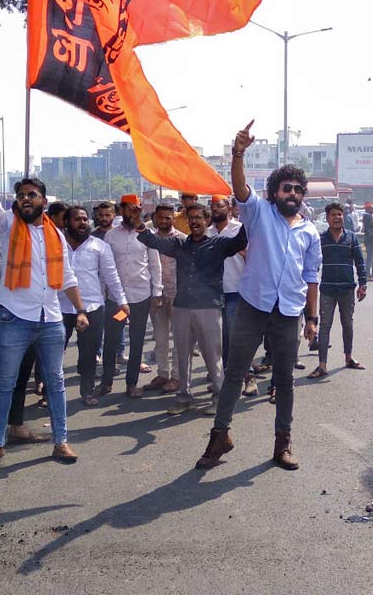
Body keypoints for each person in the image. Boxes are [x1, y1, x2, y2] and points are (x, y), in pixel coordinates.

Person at [0, 129, 87, 471]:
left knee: (54, 383)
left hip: (52, 320)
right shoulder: (9, 225)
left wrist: (81, 310)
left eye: (32, 194)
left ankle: (61, 441)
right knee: (5, 385)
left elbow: (68, 278)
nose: (26, 198)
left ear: (43, 199)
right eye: (21, 194)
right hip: (14, 319)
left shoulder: (56, 235)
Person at [195, 121, 322, 471]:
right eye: (286, 188)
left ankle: (282, 444)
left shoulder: (310, 232)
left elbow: (311, 277)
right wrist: (238, 152)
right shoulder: (257, 212)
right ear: (273, 192)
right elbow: (239, 187)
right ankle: (219, 438)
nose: (292, 194)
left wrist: (311, 319)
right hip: (253, 306)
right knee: (235, 374)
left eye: (298, 189)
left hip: (288, 312)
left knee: (284, 379)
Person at [136, 203, 247, 415]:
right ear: (187, 221)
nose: (195, 221)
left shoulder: (219, 243)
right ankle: (184, 397)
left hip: (209, 307)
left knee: (213, 356)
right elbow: (154, 241)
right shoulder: (179, 244)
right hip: (182, 306)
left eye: (199, 217)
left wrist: (248, 214)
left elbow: (242, 240)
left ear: (207, 221)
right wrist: (139, 225)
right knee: (182, 354)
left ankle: (219, 397)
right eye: (191, 218)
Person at [60, 205, 129, 405]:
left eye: (84, 219)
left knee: (89, 353)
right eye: (77, 219)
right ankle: (49, 392)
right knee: (55, 352)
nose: (82, 223)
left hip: (92, 307)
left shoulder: (99, 246)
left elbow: (111, 276)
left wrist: (122, 301)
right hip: (60, 307)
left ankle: (87, 391)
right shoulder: (57, 245)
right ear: (66, 223)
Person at [99, 193, 163, 399]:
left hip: (140, 298)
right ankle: (106, 382)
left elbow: (155, 265)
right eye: (129, 208)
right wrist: (103, 293)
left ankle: (131, 383)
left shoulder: (147, 234)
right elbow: (105, 268)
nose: (133, 212)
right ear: (121, 210)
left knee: (137, 340)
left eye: (137, 208)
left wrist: (157, 292)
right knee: (112, 339)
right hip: (117, 301)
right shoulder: (111, 236)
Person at [307, 202, 366, 380]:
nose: (337, 217)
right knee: (325, 327)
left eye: (339, 214)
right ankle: (322, 365)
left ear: (343, 216)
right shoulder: (321, 239)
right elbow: (314, 264)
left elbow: (360, 262)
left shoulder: (352, 238)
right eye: (333, 214)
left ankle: (348, 357)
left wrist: (363, 284)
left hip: (347, 289)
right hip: (327, 290)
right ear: (327, 218)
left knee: (348, 324)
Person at [208, 194, 257, 397]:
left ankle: (249, 377)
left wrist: (240, 250)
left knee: (237, 339)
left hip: (236, 291)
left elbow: (253, 259)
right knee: (219, 341)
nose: (215, 209)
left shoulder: (240, 230)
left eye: (219, 206)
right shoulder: (207, 232)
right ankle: (228, 379)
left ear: (228, 208)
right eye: (212, 206)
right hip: (212, 293)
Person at [145, 203, 181, 394]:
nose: (164, 221)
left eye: (168, 217)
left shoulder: (181, 239)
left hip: (178, 296)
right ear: (154, 218)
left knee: (179, 338)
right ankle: (162, 373)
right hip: (156, 296)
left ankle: (176, 377)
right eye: (161, 217)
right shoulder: (147, 239)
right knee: (160, 338)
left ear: (173, 218)